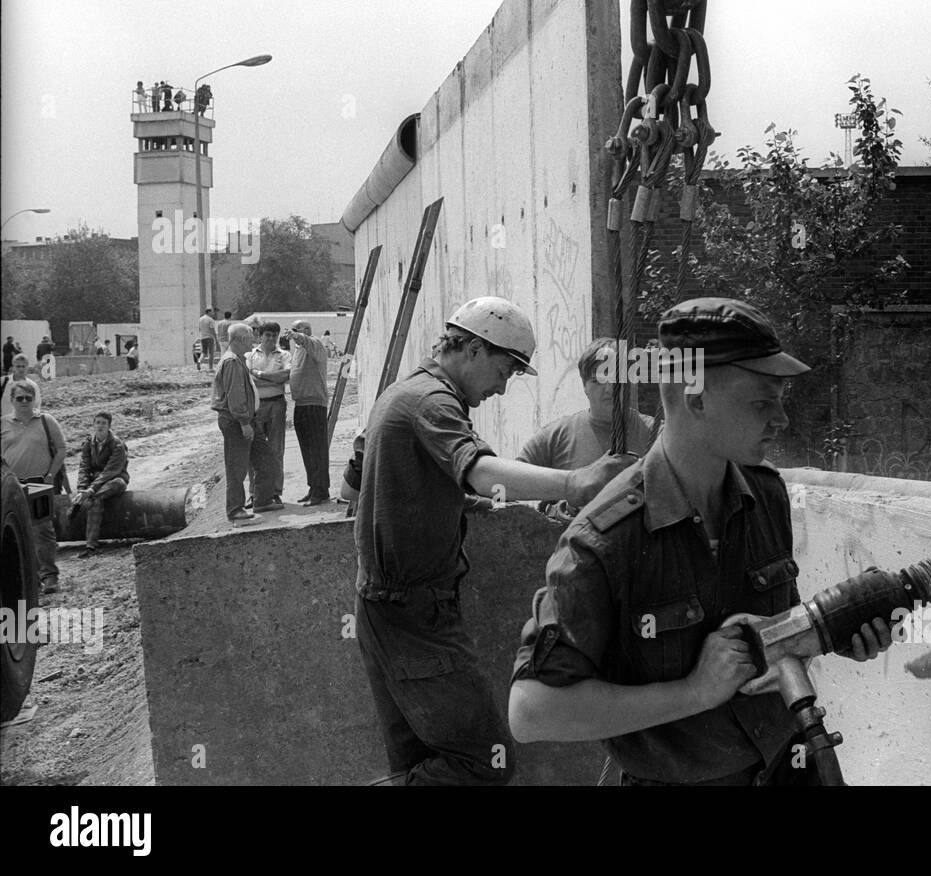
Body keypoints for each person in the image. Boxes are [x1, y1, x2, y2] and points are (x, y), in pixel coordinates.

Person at [508, 297, 893, 786]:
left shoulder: (764, 493)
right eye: (761, 402)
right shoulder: (604, 539)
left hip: (789, 767)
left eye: (781, 400)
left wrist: (831, 636)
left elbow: (772, 641)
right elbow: (531, 712)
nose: (782, 420)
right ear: (695, 399)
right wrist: (694, 692)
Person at [353, 295, 635, 786]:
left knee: (419, 763)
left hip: (387, 608)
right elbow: (479, 471)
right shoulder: (432, 402)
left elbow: (418, 487)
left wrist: (472, 507)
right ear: (474, 350)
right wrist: (574, 482)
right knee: (485, 761)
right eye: (506, 370)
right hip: (414, 615)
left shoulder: (411, 391)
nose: (504, 387)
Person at [517, 337, 656, 520]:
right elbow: (507, 488)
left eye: (616, 379)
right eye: (597, 380)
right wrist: (557, 510)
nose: (608, 389)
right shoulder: (555, 437)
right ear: (584, 386)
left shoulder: (656, 434)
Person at [1, 380, 66, 594]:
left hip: (40, 483)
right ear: (11, 400)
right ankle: (29, 580)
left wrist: (50, 475)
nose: (24, 402)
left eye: (28, 398)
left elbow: (61, 449)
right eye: (19, 398)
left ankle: (49, 577)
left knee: (43, 531)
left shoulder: (46, 420)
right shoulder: (3, 424)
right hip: (12, 487)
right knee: (17, 532)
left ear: (34, 400)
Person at [211, 323, 268, 522]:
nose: (252, 344)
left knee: (263, 460)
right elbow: (236, 396)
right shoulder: (233, 362)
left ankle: (262, 500)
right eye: (250, 340)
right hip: (236, 421)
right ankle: (235, 510)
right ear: (242, 340)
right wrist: (244, 422)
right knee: (237, 467)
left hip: (243, 419)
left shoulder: (235, 360)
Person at [71, 412, 129, 557]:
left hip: (114, 480)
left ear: (109, 426)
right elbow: (84, 468)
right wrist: (81, 489)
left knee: (113, 485)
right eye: (97, 422)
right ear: (93, 425)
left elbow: (110, 471)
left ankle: (85, 502)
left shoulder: (118, 445)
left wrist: (90, 490)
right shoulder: (89, 444)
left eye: (104, 423)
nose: (100, 426)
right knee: (95, 500)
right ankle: (91, 546)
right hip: (95, 485)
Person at [246, 322, 291, 510]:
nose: (271, 339)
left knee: (275, 450)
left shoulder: (284, 355)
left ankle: (275, 492)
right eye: (267, 335)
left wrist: (260, 375)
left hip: (277, 405)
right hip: (256, 407)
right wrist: (272, 377)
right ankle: (254, 494)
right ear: (260, 336)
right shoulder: (249, 355)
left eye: (274, 335)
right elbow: (248, 379)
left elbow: (286, 376)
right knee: (253, 451)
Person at [286, 320, 331, 505]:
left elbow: (307, 340)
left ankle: (321, 490)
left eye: (297, 330)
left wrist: (296, 335)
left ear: (306, 331)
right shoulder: (299, 351)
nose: (294, 333)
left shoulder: (315, 344)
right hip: (301, 404)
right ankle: (313, 487)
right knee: (307, 450)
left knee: (317, 449)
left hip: (314, 404)